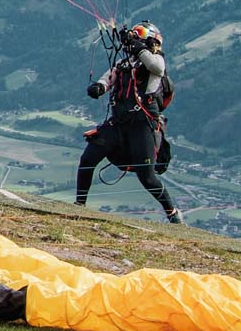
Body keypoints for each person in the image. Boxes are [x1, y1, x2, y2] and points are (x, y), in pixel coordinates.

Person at [73, 21, 182, 224]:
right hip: (119, 123)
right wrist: (98, 87)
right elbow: (108, 79)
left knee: (147, 177)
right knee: (88, 158)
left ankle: (172, 213)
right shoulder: (124, 64)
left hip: (143, 125)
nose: (133, 38)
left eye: (139, 34)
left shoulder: (156, 62)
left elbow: (155, 67)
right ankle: (80, 205)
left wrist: (139, 47)